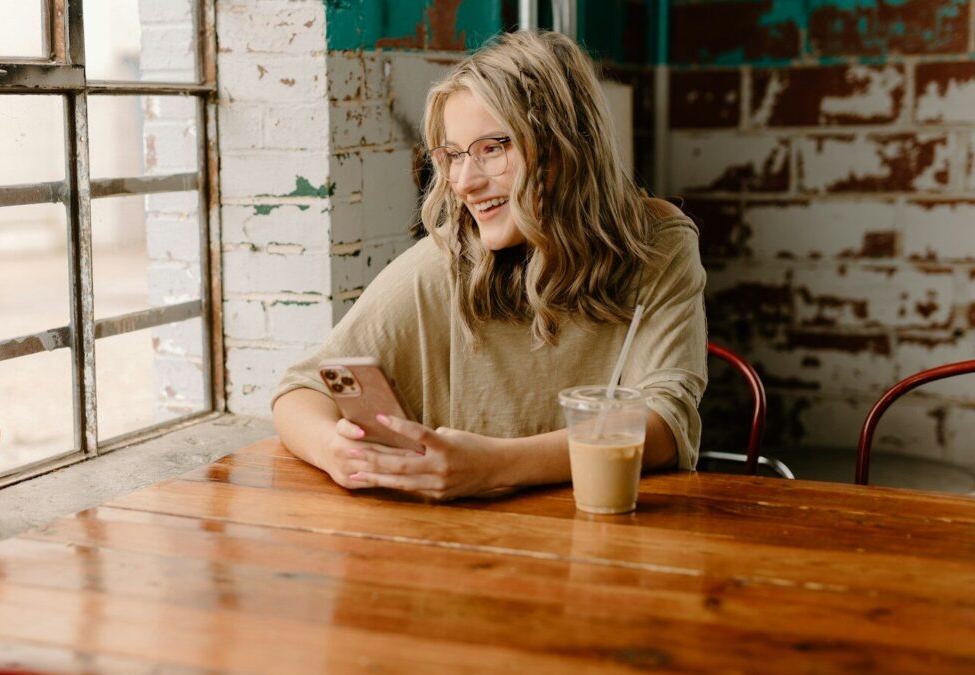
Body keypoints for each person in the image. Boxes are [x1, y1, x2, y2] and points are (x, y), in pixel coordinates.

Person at [270, 31, 706, 500]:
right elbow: (301, 391)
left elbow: (665, 423)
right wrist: (335, 450)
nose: (463, 182)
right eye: (453, 155)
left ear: (564, 148)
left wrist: (495, 465)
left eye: (492, 149)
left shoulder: (656, 246)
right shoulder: (443, 264)